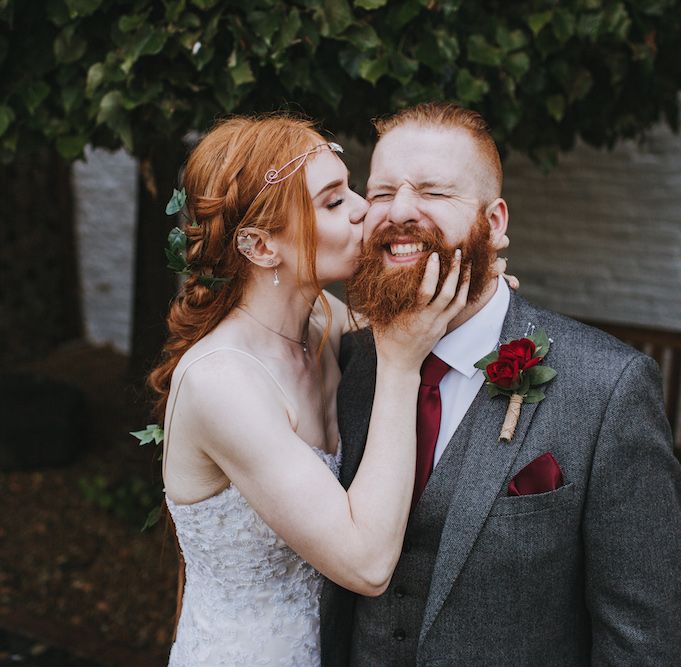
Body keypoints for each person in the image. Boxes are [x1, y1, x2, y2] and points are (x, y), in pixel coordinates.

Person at [320, 102, 681, 666]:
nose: (401, 211)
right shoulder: (347, 362)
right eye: (384, 191)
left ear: (495, 222)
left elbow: (642, 640)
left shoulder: (608, 389)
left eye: (435, 193)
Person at [147, 114, 487, 666]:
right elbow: (367, 565)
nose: (362, 209)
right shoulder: (221, 382)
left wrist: (476, 288)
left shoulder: (325, 322)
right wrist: (399, 369)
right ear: (259, 245)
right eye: (333, 202)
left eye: (351, 189)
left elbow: (418, 323)